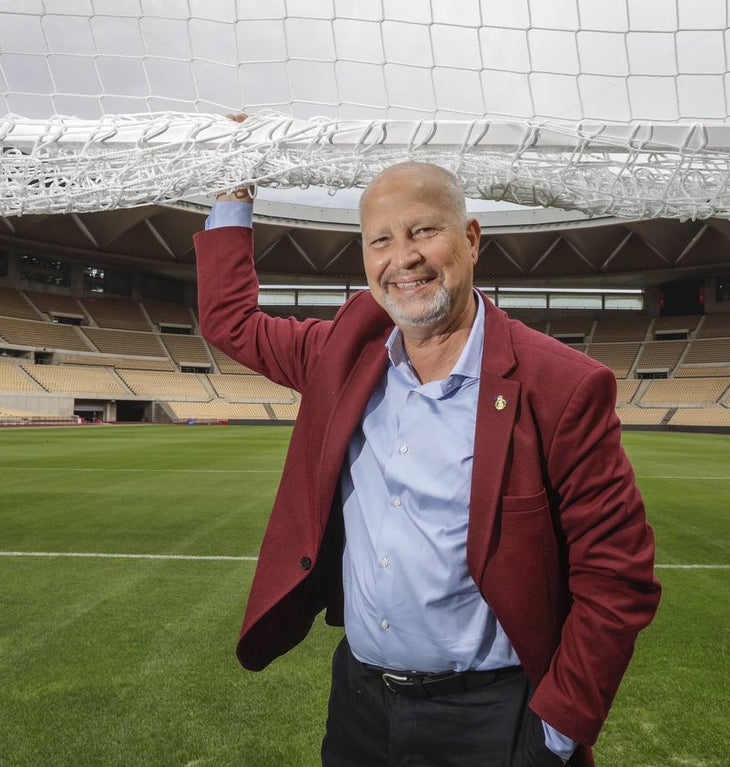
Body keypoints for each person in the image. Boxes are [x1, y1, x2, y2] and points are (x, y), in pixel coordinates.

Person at [195, 160, 660, 766]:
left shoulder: (561, 386)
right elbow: (231, 321)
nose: (403, 257)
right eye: (380, 239)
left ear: (470, 239)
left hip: (491, 719)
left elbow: (616, 577)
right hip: (360, 704)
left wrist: (556, 734)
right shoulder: (345, 351)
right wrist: (233, 191)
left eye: (423, 231)